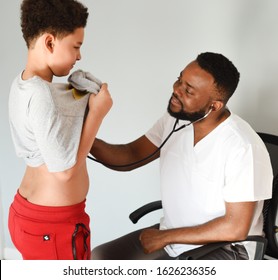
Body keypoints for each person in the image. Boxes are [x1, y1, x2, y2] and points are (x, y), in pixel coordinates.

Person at [90, 52, 273, 260]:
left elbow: (235, 228)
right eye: (179, 79)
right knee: (101, 257)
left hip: (229, 248)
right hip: (175, 235)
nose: (176, 90)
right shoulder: (176, 119)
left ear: (214, 105)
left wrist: (164, 237)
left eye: (188, 90)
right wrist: (84, 137)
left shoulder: (243, 147)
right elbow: (131, 155)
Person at [8, 0, 113, 260]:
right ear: (50, 42)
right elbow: (65, 172)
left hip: (32, 216)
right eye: (76, 46)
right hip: (52, 227)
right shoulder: (41, 94)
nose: (79, 56)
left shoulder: (23, 84)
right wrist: (97, 113)